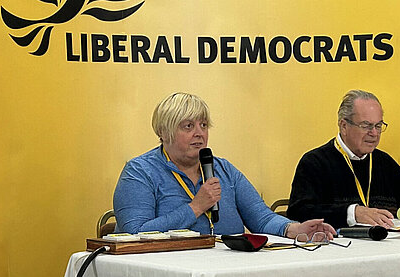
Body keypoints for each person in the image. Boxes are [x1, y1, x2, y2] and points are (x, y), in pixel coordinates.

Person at [113, 92, 335, 240]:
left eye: (203, 125)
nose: (199, 133)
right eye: (188, 126)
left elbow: (262, 218)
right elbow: (134, 233)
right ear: (163, 132)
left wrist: (294, 229)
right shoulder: (140, 172)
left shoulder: (223, 169)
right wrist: (195, 207)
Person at [287, 89, 400, 229]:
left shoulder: (385, 162)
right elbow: (298, 212)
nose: (374, 133)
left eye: (378, 126)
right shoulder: (314, 162)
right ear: (344, 125)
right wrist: (352, 213)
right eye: (366, 125)